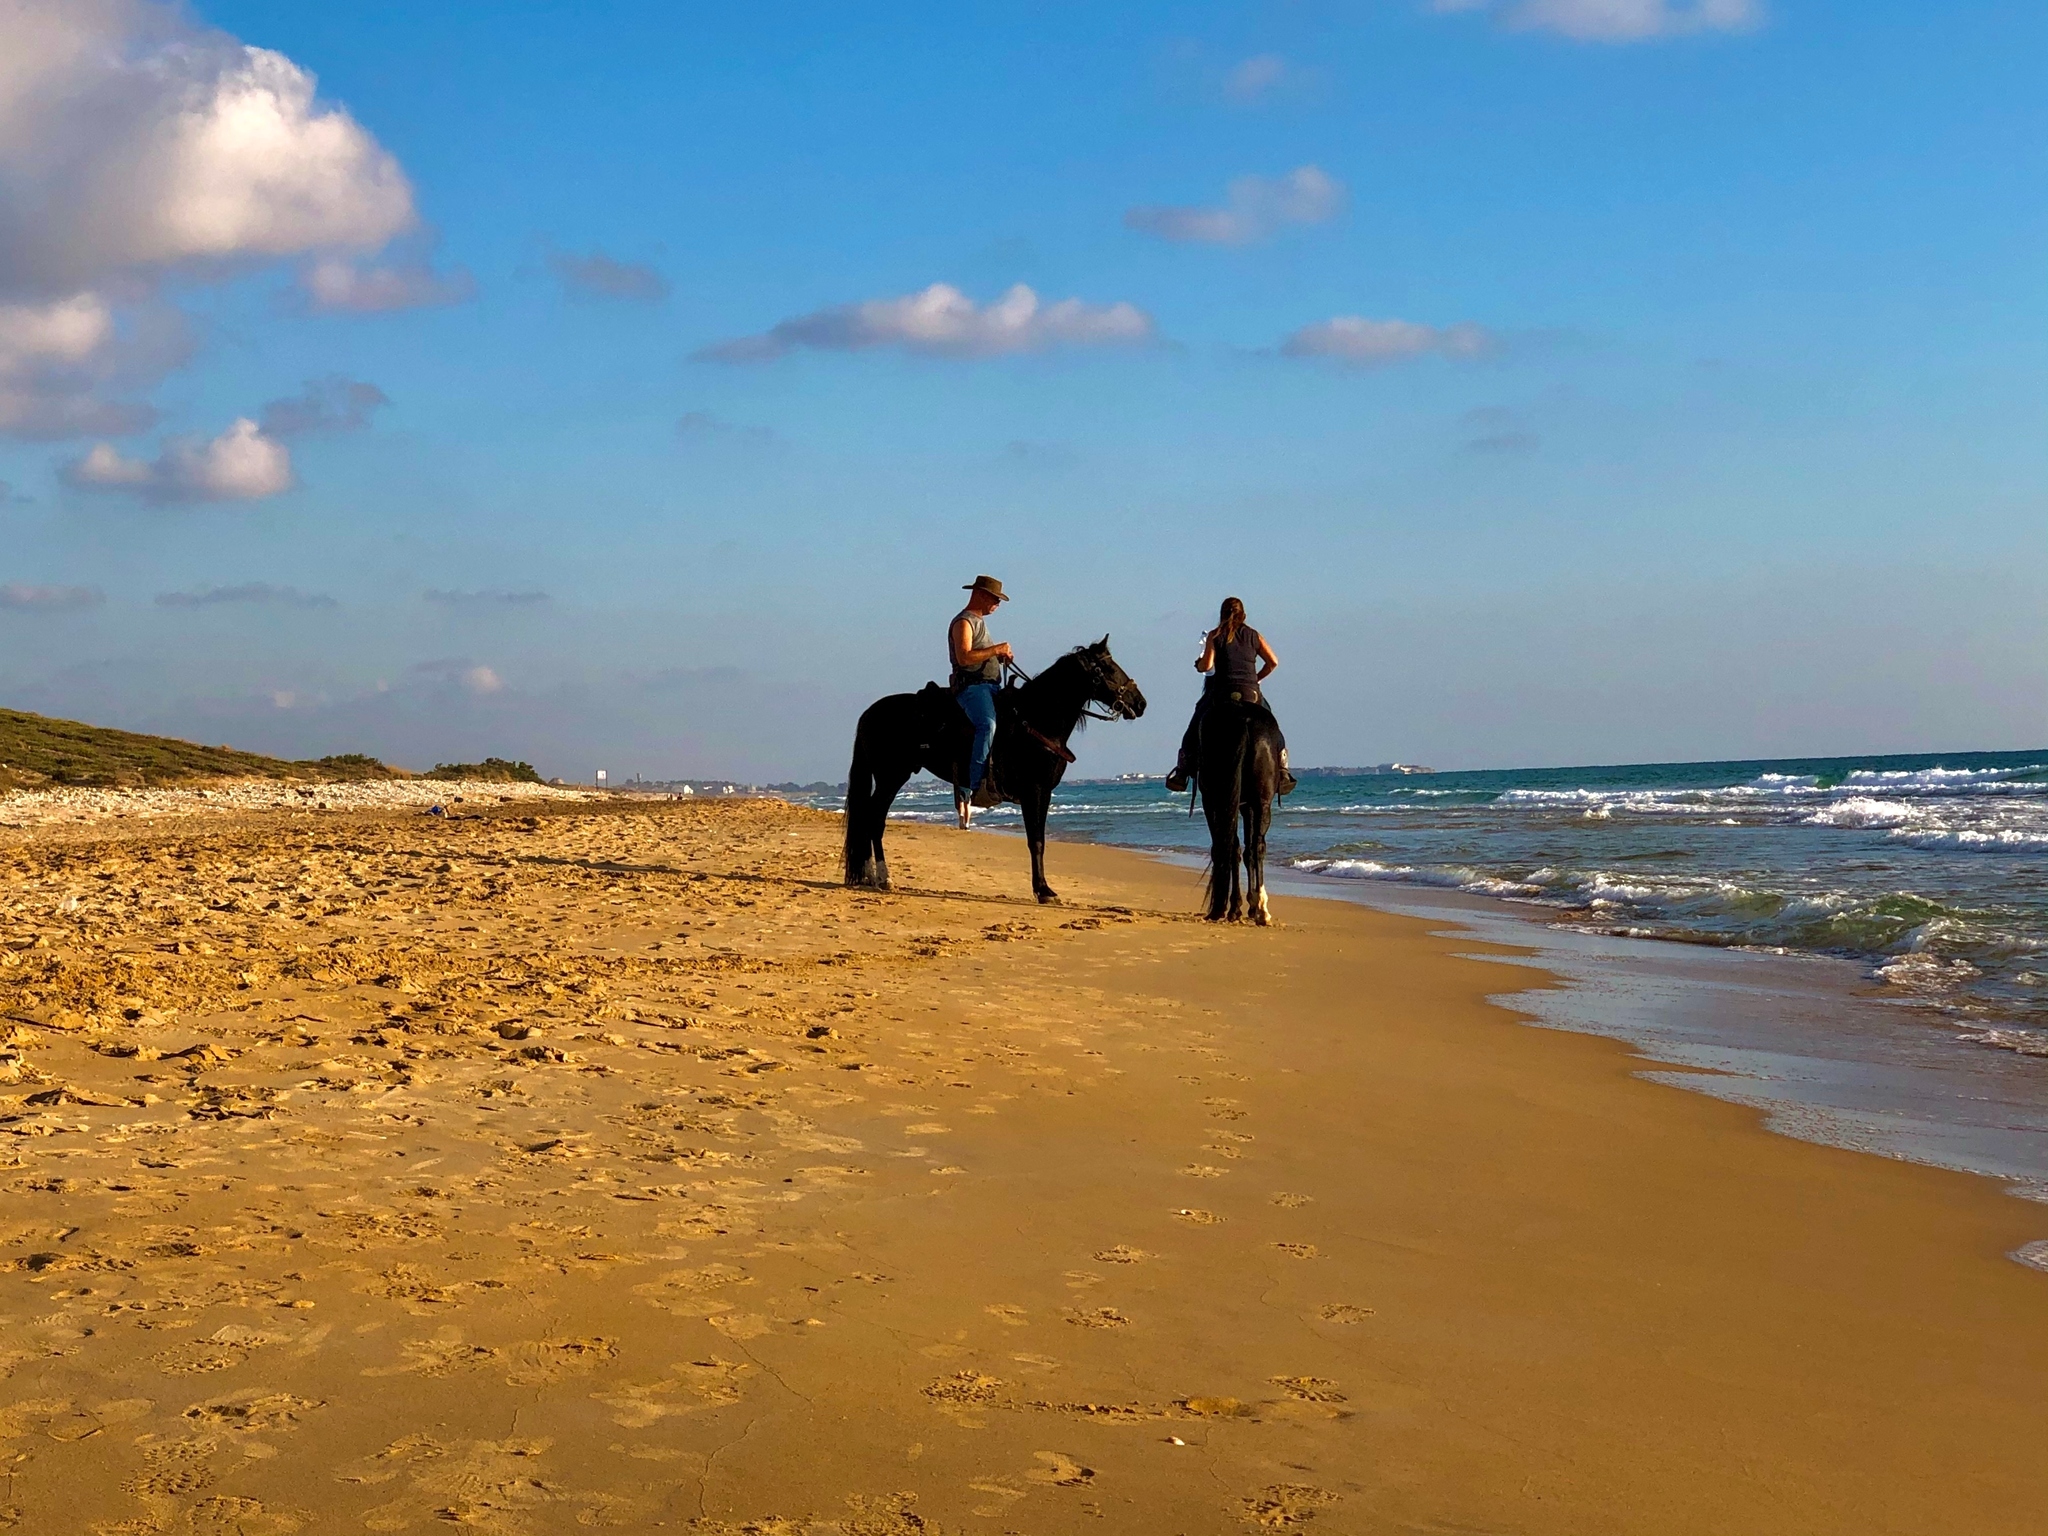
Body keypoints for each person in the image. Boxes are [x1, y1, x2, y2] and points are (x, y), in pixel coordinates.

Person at [1164, 596, 1296, 795]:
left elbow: (1207, 666)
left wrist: (1198, 665)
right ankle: (1282, 767)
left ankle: (1182, 771)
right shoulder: (1254, 635)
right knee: (1271, 724)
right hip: (1250, 693)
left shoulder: (1215, 635)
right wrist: (1257, 679)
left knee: (1197, 719)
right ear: (1243, 614)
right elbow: (1273, 662)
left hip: (1222, 692)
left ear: (1222, 614)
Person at [949, 574, 1014, 827]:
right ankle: (975, 788)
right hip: (973, 689)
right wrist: (996, 650)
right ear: (981, 595)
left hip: (991, 686)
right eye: (995, 599)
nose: (997, 605)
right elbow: (964, 657)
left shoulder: (980, 623)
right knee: (988, 725)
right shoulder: (964, 622)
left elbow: (981, 655)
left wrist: (998, 658)